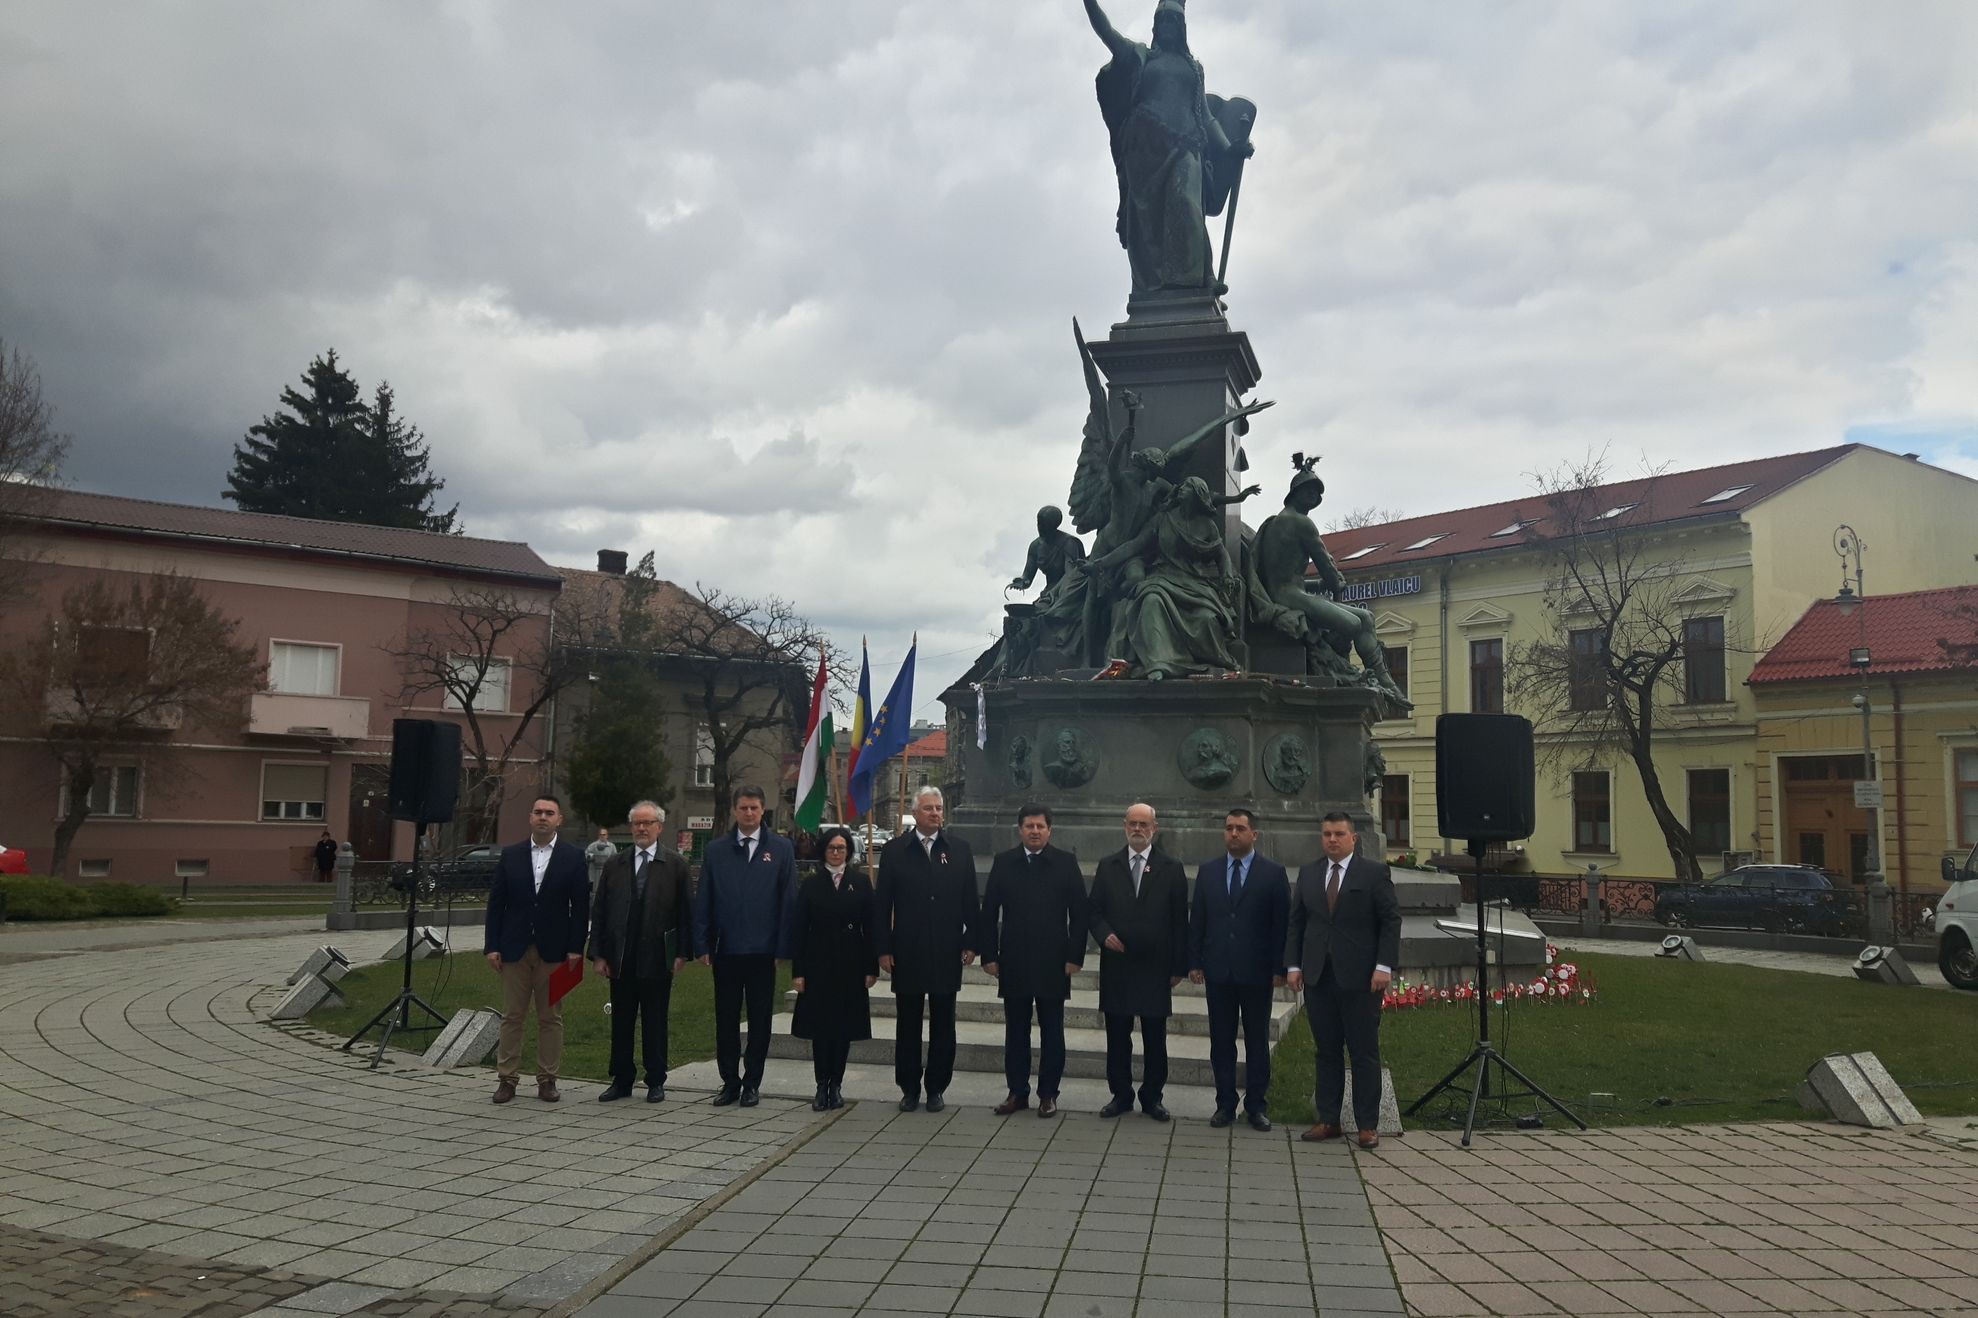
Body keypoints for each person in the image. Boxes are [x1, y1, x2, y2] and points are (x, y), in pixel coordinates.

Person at [1288, 812, 1401, 1150]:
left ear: (1354, 838)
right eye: (1327, 834)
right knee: (1326, 1050)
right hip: (1319, 976)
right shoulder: (1309, 873)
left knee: (1363, 1051)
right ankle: (1328, 1119)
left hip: (1361, 978)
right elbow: (1297, 923)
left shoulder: (1373, 873)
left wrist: (1384, 966)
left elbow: (1390, 920)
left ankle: (1367, 1124)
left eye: (1339, 834)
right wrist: (1293, 965)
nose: (1332, 840)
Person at [874, 786, 978, 1113]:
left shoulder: (959, 850)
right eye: (929, 808)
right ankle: (909, 1087)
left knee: (944, 1024)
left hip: (947, 949)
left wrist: (971, 942)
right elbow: (882, 905)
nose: (935, 813)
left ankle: (936, 1087)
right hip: (908, 950)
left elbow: (970, 901)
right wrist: (883, 947)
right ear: (915, 813)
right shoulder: (895, 851)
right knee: (908, 1023)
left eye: (939, 808)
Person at [980, 805, 1088, 1119]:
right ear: (1020, 830)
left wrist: (1075, 956)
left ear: (1049, 830)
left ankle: (1048, 1094)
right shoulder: (1004, 862)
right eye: (1029, 826)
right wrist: (989, 955)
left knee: (1052, 1030)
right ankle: (1017, 1092)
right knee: (1016, 1031)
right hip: (1013, 959)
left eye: (1040, 826)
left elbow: (1079, 914)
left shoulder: (1065, 863)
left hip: (1054, 961)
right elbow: (989, 913)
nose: (1035, 831)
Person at [692, 786, 797, 1108]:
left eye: (754, 807)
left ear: (763, 810)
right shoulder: (717, 850)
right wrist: (702, 943)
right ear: (734, 811)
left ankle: (752, 1083)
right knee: (726, 1019)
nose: (749, 813)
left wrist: (783, 948)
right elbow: (704, 897)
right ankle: (729, 1082)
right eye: (743, 808)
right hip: (726, 949)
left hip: (763, 952)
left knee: (760, 1020)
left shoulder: (781, 849)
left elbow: (788, 901)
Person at [484, 795, 590, 1104]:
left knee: (550, 1017)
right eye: (538, 812)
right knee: (512, 1016)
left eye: (549, 813)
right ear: (530, 817)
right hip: (514, 948)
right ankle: (507, 1079)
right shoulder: (511, 855)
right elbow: (496, 904)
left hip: (555, 951)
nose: (543, 817)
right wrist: (492, 945)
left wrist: (576, 948)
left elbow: (580, 906)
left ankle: (547, 1079)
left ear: (559, 820)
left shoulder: (573, 857)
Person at [1087, 802, 1188, 1120]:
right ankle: (1121, 1095)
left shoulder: (1171, 868)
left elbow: (1179, 920)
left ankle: (1152, 1097)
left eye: (1144, 824)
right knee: (1118, 1035)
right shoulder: (1108, 866)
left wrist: (1178, 966)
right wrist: (1104, 934)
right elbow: (1094, 910)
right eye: (1133, 823)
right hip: (1118, 965)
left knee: (1155, 1036)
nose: (1138, 829)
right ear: (1124, 826)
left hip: (1155, 966)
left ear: (1154, 829)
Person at [1189, 807, 1288, 1130]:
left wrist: (1279, 967)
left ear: (1253, 834)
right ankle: (1225, 1104)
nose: (1233, 833)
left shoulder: (1272, 874)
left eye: (1240, 828)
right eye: (1229, 828)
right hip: (1219, 971)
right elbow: (1198, 919)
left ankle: (1256, 1106)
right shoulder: (1209, 871)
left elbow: (1281, 925)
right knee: (1221, 1041)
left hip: (1257, 972)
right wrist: (1195, 962)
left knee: (1256, 1041)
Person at [587, 800, 691, 1105]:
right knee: (621, 1020)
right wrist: (598, 954)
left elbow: (686, 912)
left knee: (655, 1020)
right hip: (621, 956)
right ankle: (621, 1079)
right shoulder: (615, 864)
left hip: (657, 956)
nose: (642, 829)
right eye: (637, 824)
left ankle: (655, 1079)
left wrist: (682, 953)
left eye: (647, 823)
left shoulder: (675, 865)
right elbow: (600, 910)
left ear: (660, 827)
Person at [790, 827, 878, 1111]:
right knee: (821, 1029)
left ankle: (836, 1085)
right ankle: (821, 1085)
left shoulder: (860, 882)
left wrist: (871, 968)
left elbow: (871, 927)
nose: (837, 853)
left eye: (842, 848)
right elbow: (799, 929)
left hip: (851, 964)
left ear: (849, 852)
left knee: (843, 1029)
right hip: (818, 964)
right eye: (832, 848)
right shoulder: (811, 884)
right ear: (823, 851)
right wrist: (798, 971)